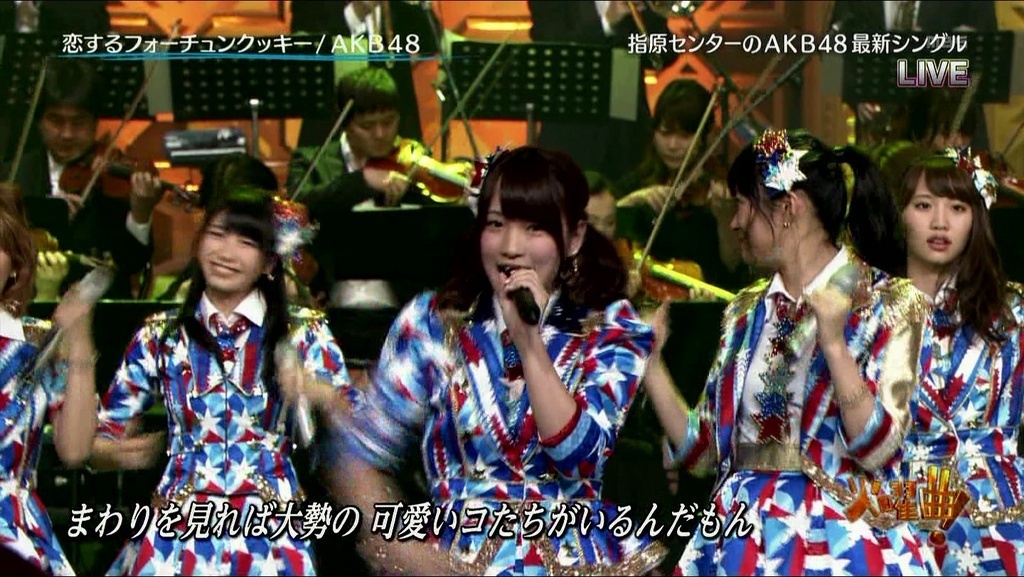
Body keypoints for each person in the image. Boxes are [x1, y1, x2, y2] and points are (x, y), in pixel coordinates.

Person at [326, 146, 667, 574]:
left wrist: (530, 343)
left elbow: (579, 457)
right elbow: (355, 452)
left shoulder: (609, 327)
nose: (511, 247)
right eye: (496, 224)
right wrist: (399, 549)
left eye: (534, 227)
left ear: (575, 236)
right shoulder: (432, 324)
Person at [642, 129, 938, 575]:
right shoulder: (745, 310)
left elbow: (878, 450)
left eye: (743, 204)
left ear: (788, 208)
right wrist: (651, 364)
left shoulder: (890, 303)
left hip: (839, 542)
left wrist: (834, 345)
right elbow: (704, 452)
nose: (735, 222)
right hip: (740, 540)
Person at [88, 188, 355, 576]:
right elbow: (99, 442)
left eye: (246, 241)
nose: (226, 252)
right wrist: (125, 454)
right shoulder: (160, 336)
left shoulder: (304, 335)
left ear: (270, 261)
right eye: (217, 234)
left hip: (270, 533)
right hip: (178, 531)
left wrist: (316, 391)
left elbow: (359, 424)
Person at [895, 147, 1024, 575]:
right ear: (900, 214)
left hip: (996, 511)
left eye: (957, 207)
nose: (940, 222)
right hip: (898, 512)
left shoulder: (1012, 313)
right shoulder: (869, 313)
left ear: (976, 218)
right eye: (923, 206)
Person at [287, 66, 469, 308]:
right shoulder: (311, 161)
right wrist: (362, 181)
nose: (381, 133)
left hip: (402, 301)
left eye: (389, 122)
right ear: (345, 123)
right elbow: (296, 208)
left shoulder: (409, 162)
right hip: (330, 298)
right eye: (367, 125)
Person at [1, 58, 162, 300]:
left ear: (95, 123)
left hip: (97, 308)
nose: (67, 134)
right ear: (40, 121)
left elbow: (132, 262)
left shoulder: (113, 181)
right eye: (56, 121)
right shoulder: (11, 174)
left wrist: (141, 212)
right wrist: (46, 213)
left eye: (78, 123)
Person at [0, 187, 99, 575]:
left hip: (13, 530)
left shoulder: (38, 342)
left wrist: (78, 343)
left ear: (16, 265)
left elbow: (75, 449)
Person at [615, 79, 746, 292]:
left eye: (684, 136)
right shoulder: (634, 184)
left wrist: (724, 219)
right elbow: (601, 236)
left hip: (707, 300)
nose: (673, 145)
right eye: (665, 133)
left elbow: (732, 266)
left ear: (704, 137)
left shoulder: (721, 188)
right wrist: (631, 202)